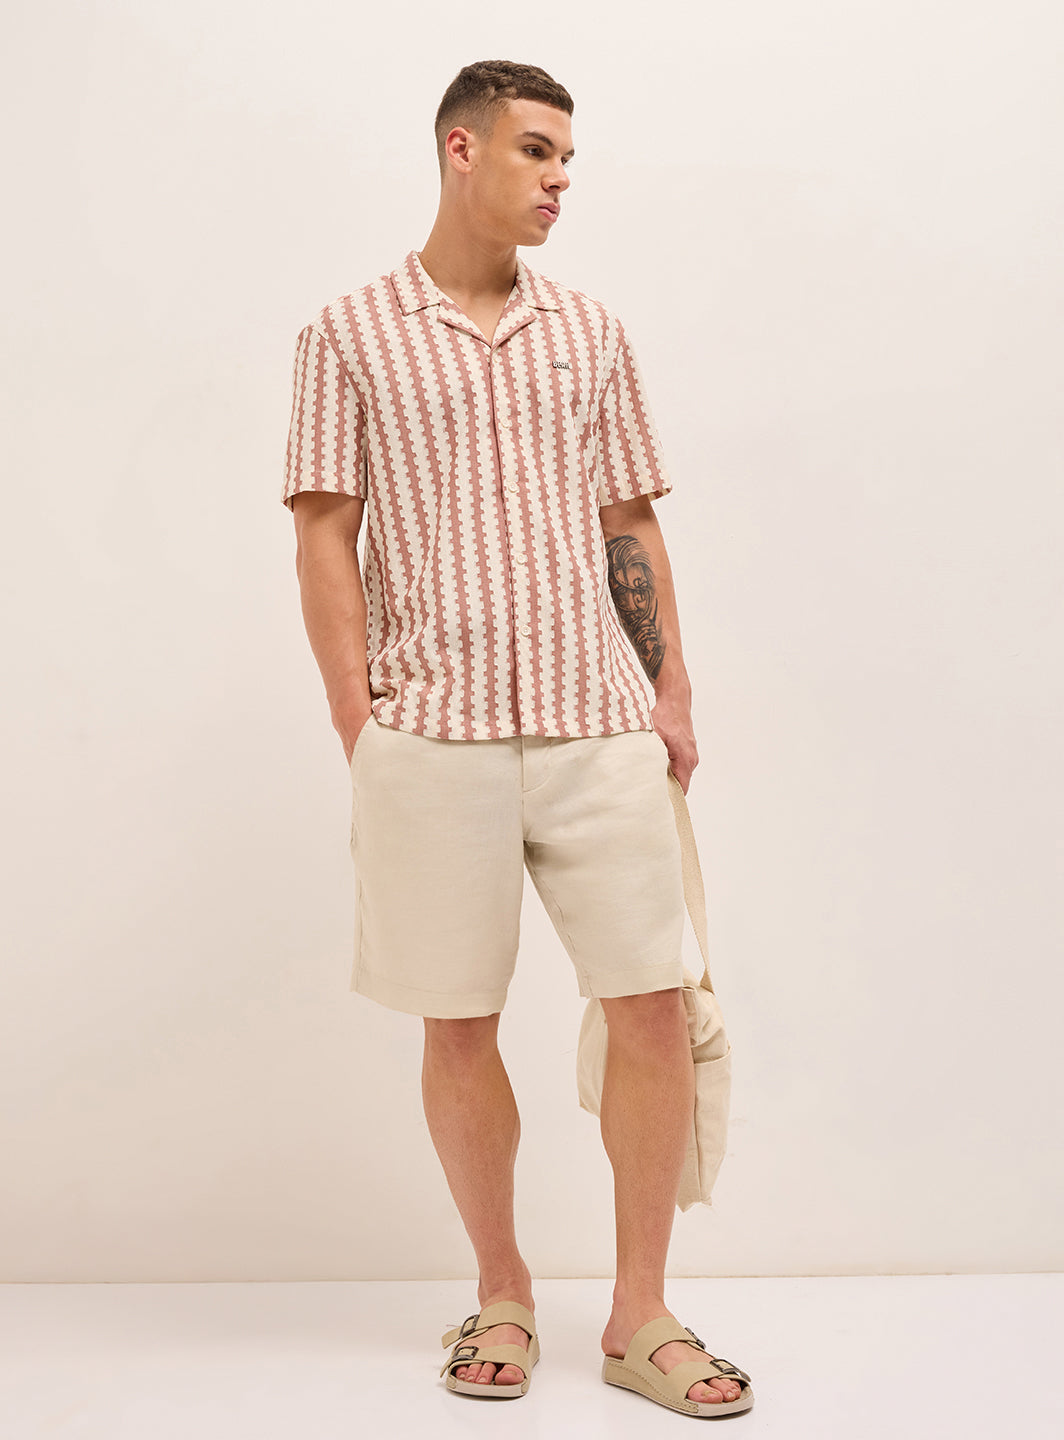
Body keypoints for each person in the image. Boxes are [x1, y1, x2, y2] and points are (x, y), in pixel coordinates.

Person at [281, 59, 753, 1420]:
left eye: (567, 159)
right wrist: (359, 717)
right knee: (459, 1021)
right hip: (432, 734)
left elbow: (628, 519)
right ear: (461, 149)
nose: (560, 179)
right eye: (538, 151)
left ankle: (641, 1313)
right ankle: (501, 1289)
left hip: (598, 720)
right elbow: (324, 532)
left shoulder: (591, 332)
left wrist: (669, 692)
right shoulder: (346, 335)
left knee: (653, 1006)